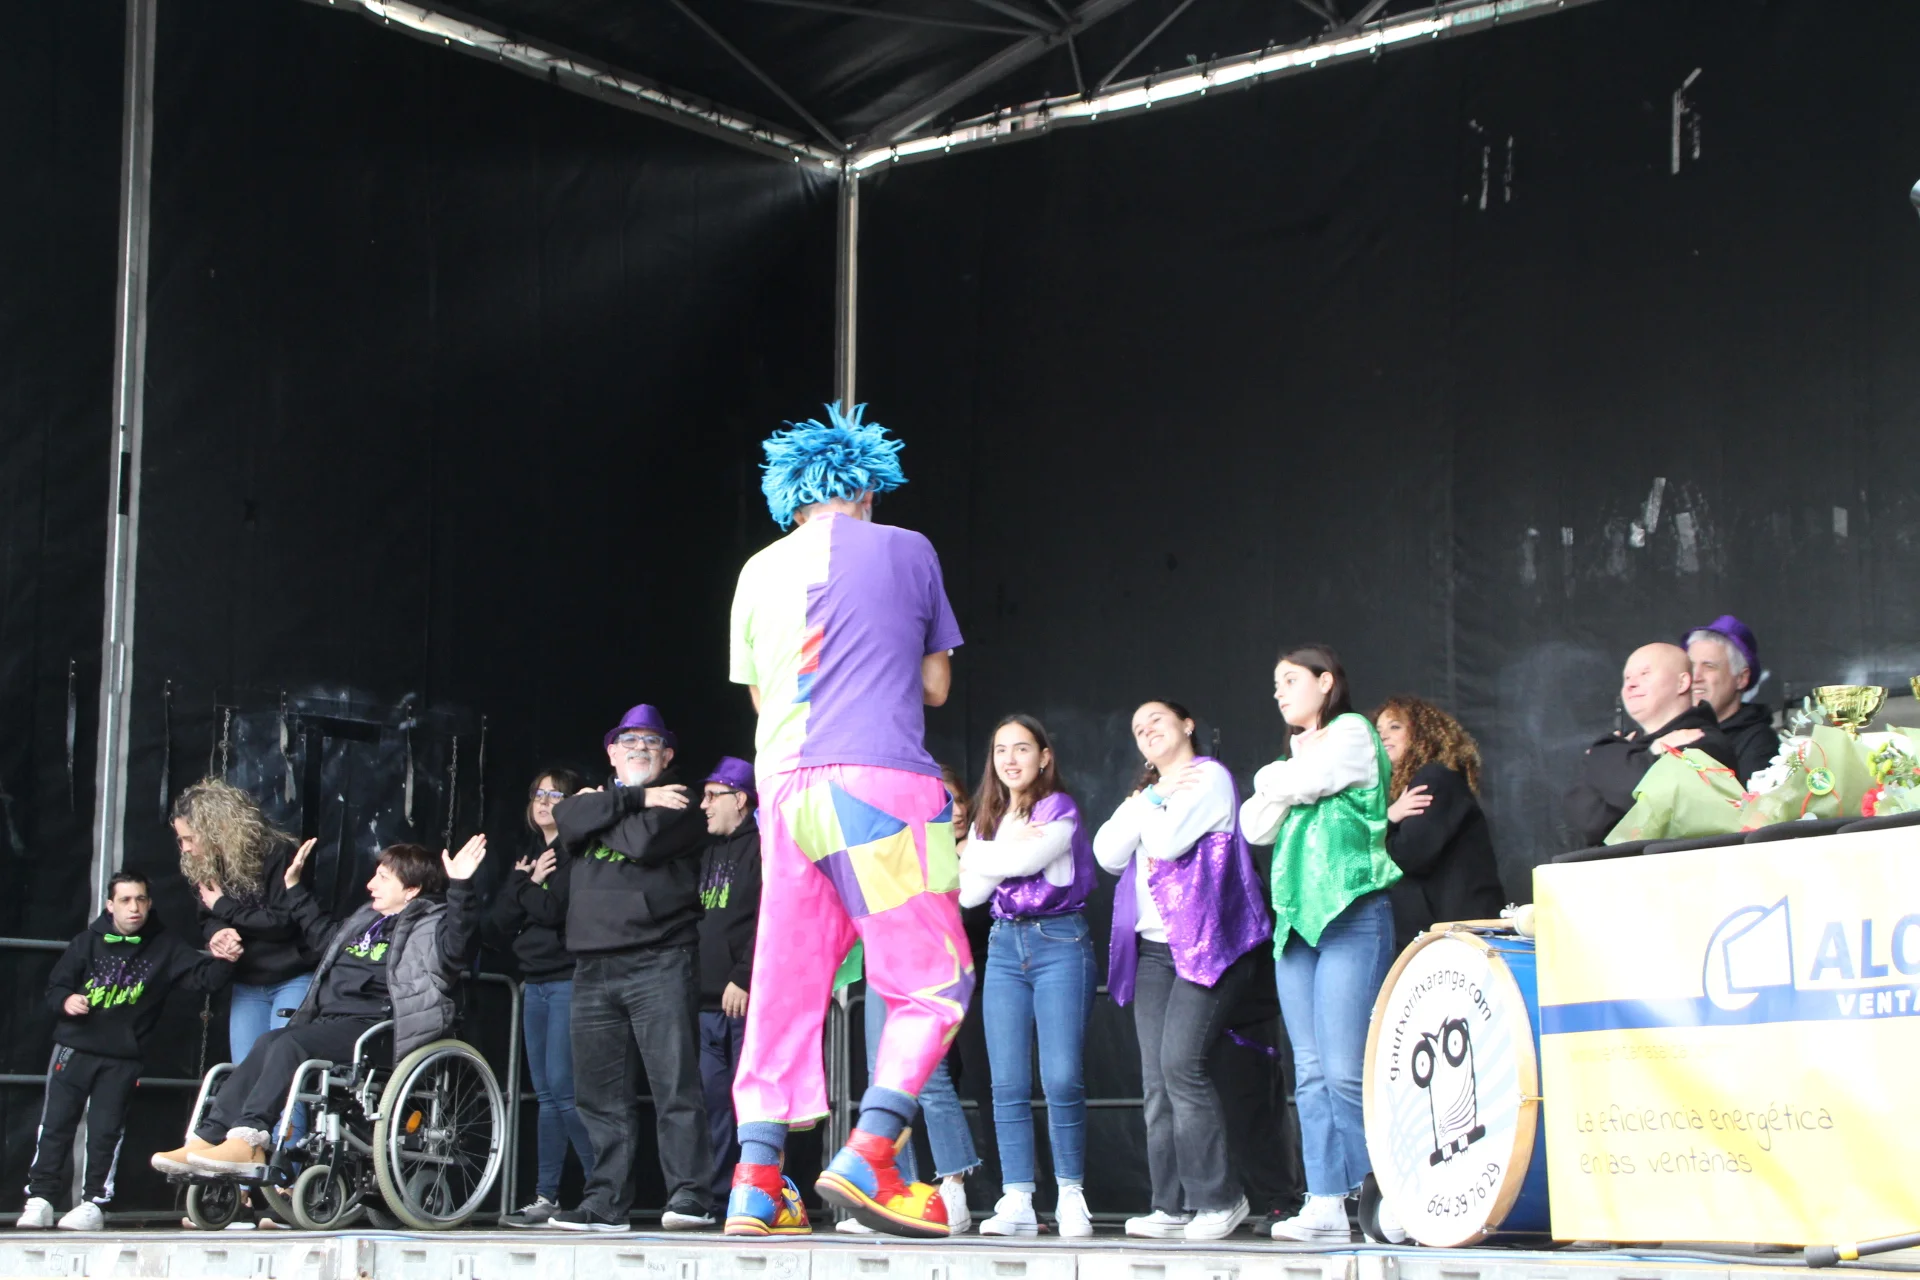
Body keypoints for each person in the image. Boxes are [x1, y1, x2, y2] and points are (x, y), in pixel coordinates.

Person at [723, 404, 972, 1239]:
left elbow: (763, 698)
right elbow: (934, 686)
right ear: (868, 490)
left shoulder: (756, 570)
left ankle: (757, 1184)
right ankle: (872, 1154)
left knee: (785, 982)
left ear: (790, 497)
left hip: (784, 792)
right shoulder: (910, 549)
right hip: (877, 787)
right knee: (932, 978)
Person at [150, 836, 487, 1179]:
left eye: (383, 878)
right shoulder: (364, 919)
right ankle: (207, 1138)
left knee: (289, 1043)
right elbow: (323, 936)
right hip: (335, 1021)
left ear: (412, 890)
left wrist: (460, 885)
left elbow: (458, 947)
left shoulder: (432, 924)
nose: (370, 884)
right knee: (268, 1041)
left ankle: (249, 1139)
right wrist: (294, 888)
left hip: (380, 1028)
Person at [1240, 644, 1401, 1243]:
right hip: (1296, 928)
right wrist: (1287, 779)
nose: (1279, 692)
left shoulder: (1353, 732)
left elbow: (1303, 784)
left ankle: (1386, 1192)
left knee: (1342, 1070)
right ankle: (1326, 1199)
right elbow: (1254, 825)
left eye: (1290, 680)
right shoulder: (1300, 752)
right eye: (1275, 684)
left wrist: (1272, 779)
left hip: (1350, 916)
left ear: (1326, 681)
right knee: (1308, 1072)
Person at [1094, 699, 1271, 1243]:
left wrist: (1145, 808)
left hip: (1203, 946)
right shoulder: (1151, 794)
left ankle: (1220, 1199)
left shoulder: (1209, 778)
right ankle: (1168, 1205)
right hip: (1154, 952)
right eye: (1137, 727)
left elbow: (1167, 843)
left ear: (1187, 725)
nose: (1145, 729)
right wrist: (1151, 799)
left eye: (1156, 719)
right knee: (1156, 1081)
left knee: (1181, 1066)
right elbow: (1105, 852)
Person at [547, 704, 713, 1232]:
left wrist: (599, 814)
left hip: (659, 958)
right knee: (599, 1095)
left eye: (651, 743)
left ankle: (690, 1196)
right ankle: (605, 1202)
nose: (640, 749)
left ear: (667, 755)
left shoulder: (681, 800)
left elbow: (642, 842)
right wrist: (633, 800)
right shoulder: (622, 800)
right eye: (629, 742)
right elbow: (565, 819)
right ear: (611, 753)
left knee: (674, 1085)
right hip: (592, 964)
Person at [18, 872, 237, 1231]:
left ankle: (93, 1204)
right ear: (110, 905)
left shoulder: (165, 946)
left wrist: (227, 958)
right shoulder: (86, 943)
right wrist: (67, 1000)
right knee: (55, 1125)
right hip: (73, 1050)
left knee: (106, 1131)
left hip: (122, 1058)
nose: (134, 907)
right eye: (125, 900)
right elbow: (55, 987)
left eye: (141, 899)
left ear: (149, 903)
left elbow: (205, 979)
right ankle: (40, 1199)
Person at [959, 715, 1096, 1239]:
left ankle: (1070, 1193)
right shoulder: (990, 816)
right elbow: (970, 894)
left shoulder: (1058, 807)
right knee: (1007, 1081)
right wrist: (1002, 844)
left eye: (1021, 748)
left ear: (1044, 757)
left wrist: (979, 853)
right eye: (1001, 750)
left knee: (1061, 1076)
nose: (1010, 759)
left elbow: (1021, 863)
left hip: (1058, 941)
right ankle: (1016, 1196)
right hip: (1002, 945)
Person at [488, 768, 594, 1228]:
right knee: (547, 1095)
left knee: (565, 1091)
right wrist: (524, 883)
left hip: (569, 980)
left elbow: (554, 913)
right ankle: (546, 1195)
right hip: (534, 983)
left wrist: (525, 886)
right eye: (539, 793)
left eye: (556, 794)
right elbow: (496, 923)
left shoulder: (578, 853)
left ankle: (603, 1189)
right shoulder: (530, 855)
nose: (545, 801)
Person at [173, 779, 317, 1065]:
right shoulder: (208, 863)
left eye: (190, 838)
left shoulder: (276, 852)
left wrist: (224, 907)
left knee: (281, 1070)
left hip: (292, 976)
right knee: (245, 1071)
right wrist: (219, 934)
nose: (185, 848)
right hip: (247, 980)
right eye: (180, 840)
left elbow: (282, 922)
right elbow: (208, 917)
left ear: (214, 829)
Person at [1563, 642, 1740, 847]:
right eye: (1627, 678)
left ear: (1682, 683)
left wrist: (1601, 753)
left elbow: (1639, 792)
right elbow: (1587, 820)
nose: (1630, 685)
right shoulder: (1627, 748)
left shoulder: (1703, 742)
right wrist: (1651, 752)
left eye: (1644, 674)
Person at [1374, 697, 1505, 951]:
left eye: (1395, 726)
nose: (1384, 736)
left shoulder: (1433, 778)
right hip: (1441, 936)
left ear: (1422, 733)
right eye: (1378, 731)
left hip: (1457, 935)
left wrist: (1383, 825)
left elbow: (1409, 854)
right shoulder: (1398, 793)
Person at [695, 757, 762, 1215]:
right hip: (704, 1002)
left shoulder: (763, 848)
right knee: (711, 1105)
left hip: (744, 1000)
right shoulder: (707, 852)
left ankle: (754, 1193)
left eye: (712, 796)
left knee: (750, 1106)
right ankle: (718, 1198)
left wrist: (743, 975)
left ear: (739, 799)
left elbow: (770, 918)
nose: (703, 805)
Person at [1684, 614, 1781, 785]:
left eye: (1709, 666)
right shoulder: (1675, 730)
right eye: (1690, 666)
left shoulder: (1759, 742)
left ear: (1741, 678)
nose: (1695, 676)